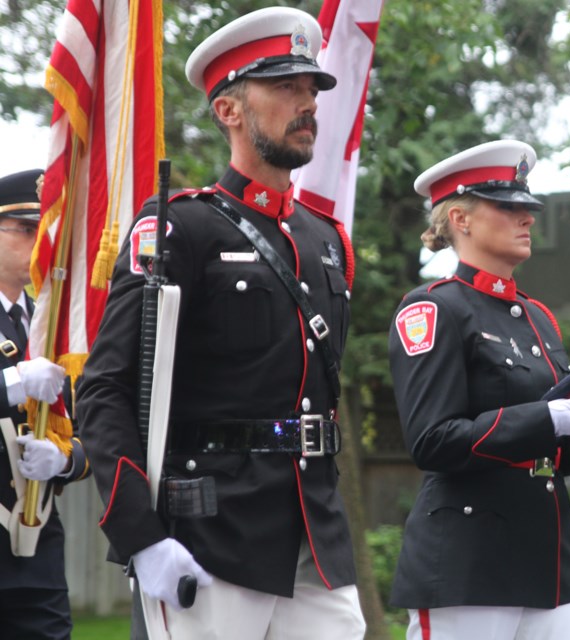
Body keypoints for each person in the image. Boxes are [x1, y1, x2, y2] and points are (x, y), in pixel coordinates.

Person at [75, 7, 364, 639]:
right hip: (213, 536)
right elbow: (103, 390)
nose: (307, 102)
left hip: (316, 536)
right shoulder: (180, 228)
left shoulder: (324, 240)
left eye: (311, 88)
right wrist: (141, 538)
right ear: (229, 111)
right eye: (286, 87)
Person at [387, 140, 570, 640]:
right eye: (508, 208)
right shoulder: (433, 309)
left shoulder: (538, 318)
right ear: (461, 219)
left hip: (551, 562)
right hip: (469, 560)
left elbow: (558, 457)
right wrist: (545, 419)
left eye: (527, 207)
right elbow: (433, 440)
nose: (528, 218)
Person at [0, 168, 89, 639]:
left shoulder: (50, 328)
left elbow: (93, 424)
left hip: (35, 544)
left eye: (45, 230)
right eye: (26, 229)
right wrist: (10, 384)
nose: (40, 242)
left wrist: (64, 461)